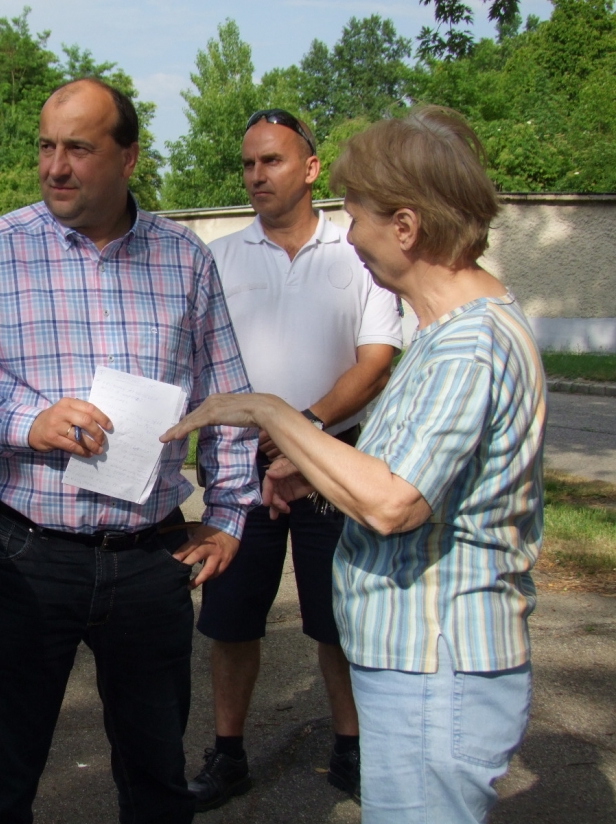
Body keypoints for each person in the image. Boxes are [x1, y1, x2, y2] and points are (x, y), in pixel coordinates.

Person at [161, 106, 544, 824]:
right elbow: (415, 470)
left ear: (406, 227)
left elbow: (395, 502)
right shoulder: (447, 333)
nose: (354, 235)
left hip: (436, 663)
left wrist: (271, 413)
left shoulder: (469, 345)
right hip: (421, 661)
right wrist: (313, 465)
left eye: (360, 216)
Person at [0, 77, 258, 824]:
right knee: (0, 781)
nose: (55, 167)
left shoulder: (184, 259)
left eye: (78, 148)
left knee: (157, 779)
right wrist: (24, 423)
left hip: (151, 555)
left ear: (128, 157)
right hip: (24, 552)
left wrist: (230, 513)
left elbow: (228, 397)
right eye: (46, 146)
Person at [187, 109, 402, 810]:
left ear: (311, 168)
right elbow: (195, 359)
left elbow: (376, 362)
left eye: (272, 161)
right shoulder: (218, 257)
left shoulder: (357, 251)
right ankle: (228, 755)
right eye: (248, 164)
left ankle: (351, 749)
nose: (256, 176)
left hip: (333, 463)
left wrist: (303, 431)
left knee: (339, 620)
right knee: (231, 619)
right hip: (239, 468)